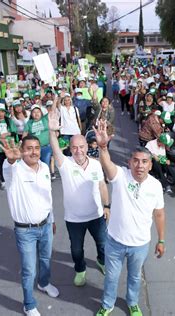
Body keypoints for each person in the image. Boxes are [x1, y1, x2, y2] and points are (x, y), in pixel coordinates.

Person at [94, 120, 165, 316]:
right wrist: (102, 146)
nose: (139, 165)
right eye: (135, 160)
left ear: (150, 165)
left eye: (144, 162)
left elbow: (159, 213)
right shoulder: (121, 176)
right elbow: (107, 163)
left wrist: (161, 239)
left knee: (134, 278)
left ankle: (133, 303)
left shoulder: (155, 186)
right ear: (129, 162)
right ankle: (107, 305)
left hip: (140, 244)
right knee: (111, 278)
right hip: (115, 241)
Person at [48, 113, 110, 286]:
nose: (78, 150)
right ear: (70, 148)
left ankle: (101, 261)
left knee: (103, 244)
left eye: (81, 146)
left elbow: (102, 186)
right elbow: (54, 149)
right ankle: (80, 270)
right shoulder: (65, 164)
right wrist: (52, 132)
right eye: (74, 147)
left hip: (96, 216)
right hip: (74, 219)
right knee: (76, 250)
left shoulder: (96, 164)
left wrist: (107, 206)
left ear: (86, 146)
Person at [0, 136, 59, 316]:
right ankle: (29, 304)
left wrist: (52, 219)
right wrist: (11, 159)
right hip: (26, 230)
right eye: (29, 148)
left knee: (46, 259)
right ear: (22, 150)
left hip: (46, 224)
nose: (33, 152)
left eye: (37, 148)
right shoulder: (14, 170)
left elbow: (48, 195)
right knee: (29, 269)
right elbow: (8, 168)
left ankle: (44, 283)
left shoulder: (44, 168)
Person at [0, 103, 18, 189]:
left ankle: (13, 179)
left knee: (12, 163)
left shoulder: (9, 120)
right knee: (1, 164)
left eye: (2, 112)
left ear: (5, 112)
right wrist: (0, 139)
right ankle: (3, 181)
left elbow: (14, 132)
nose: (0, 114)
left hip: (10, 147)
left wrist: (7, 134)